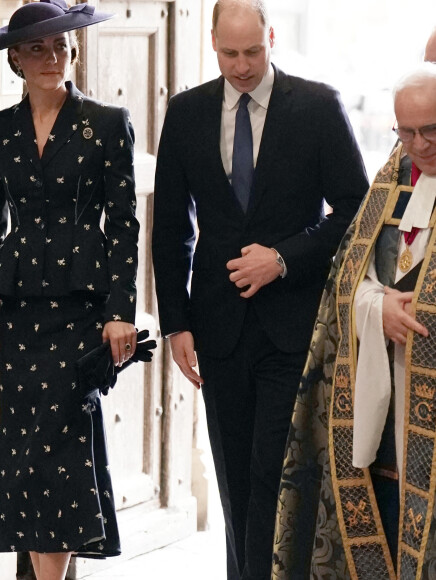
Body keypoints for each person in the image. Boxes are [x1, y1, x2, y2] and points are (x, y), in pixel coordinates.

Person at [151, 0, 368, 577]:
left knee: (273, 477)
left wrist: (283, 258)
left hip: (292, 327)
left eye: (252, 52)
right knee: (235, 483)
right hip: (218, 329)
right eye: (229, 54)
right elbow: (171, 226)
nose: (242, 66)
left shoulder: (318, 107)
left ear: (271, 38)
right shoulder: (187, 113)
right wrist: (177, 322)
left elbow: (355, 208)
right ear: (213, 46)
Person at [0, 2, 139, 579]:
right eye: (37, 48)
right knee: (28, 450)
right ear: (15, 58)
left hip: (82, 315)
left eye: (60, 46)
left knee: (61, 449)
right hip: (21, 316)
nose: (51, 57)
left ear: (73, 50)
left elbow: (124, 224)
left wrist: (120, 312)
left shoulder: (107, 124)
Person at [272, 63, 436, 579]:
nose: (418, 145)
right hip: (385, 401)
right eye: (405, 132)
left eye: (431, 130)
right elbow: (348, 274)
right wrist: (376, 307)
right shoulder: (393, 177)